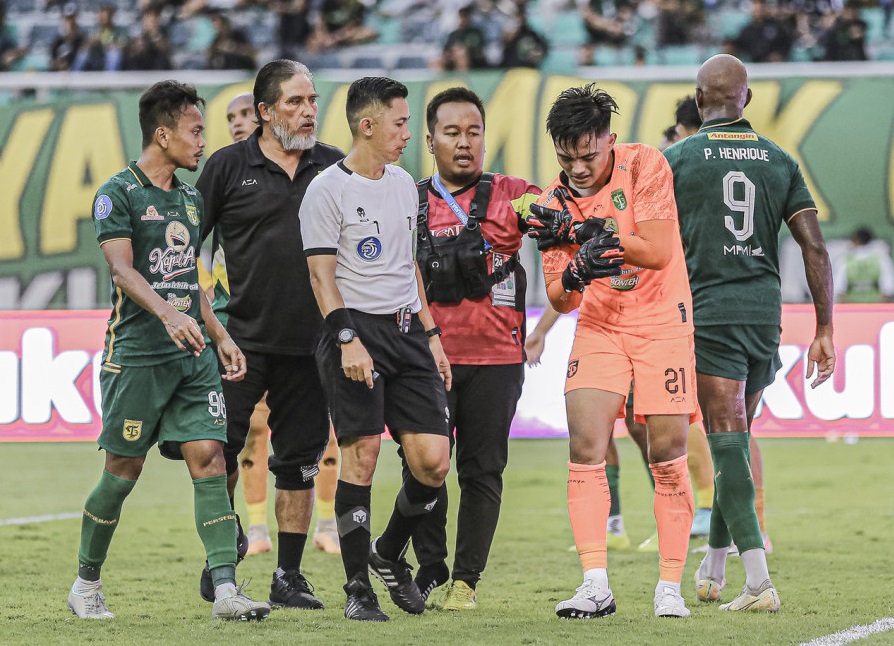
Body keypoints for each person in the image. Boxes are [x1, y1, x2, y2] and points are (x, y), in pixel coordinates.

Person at [68, 80, 269, 622]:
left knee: (210, 458)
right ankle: (86, 583)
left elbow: (189, 281)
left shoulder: (189, 196)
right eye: (195, 130)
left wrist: (220, 335)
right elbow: (122, 269)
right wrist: (167, 314)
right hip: (136, 355)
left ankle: (226, 591)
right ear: (163, 133)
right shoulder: (118, 192)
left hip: (193, 355)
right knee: (122, 471)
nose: (203, 141)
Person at [663, 54, 836, 612]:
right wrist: (826, 328)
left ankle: (758, 581)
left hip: (710, 312)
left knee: (725, 438)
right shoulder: (779, 160)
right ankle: (714, 568)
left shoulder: (677, 159)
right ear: (748, 99)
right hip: (765, 315)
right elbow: (814, 247)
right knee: (732, 443)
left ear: (697, 98)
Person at [527, 83, 698, 620]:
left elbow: (657, 249)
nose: (577, 168)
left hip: (661, 322)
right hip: (601, 325)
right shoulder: (551, 201)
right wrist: (576, 267)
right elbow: (560, 295)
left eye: (587, 154)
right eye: (566, 156)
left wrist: (580, 231)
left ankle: (670, 586)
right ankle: (595, 583)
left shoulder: (645, 164)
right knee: (586, 444)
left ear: (610, 141)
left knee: (667, 453)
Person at [300, 76, 452, 622]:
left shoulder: (404, 184)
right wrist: (347, 338)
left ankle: (388, 552)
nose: (409, 133)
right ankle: (358, 589)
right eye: (400, 122)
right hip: (353, 330)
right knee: (361, 456)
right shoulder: (326, 190)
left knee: (433, 462)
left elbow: (408, 266)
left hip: (407, 330)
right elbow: (321, 277)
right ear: (367, 125)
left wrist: (432, 336)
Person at [196, 60, 344, 611]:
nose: (309, 111)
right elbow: (186, 248)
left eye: (312, 100)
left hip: (313, 345)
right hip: (239, 342)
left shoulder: (333, 166)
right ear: (264, 111)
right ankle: (222, 555)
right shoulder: (227, 167)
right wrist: (206, 319)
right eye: (295, 102)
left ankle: (288, 575)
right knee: (216, 451)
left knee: (299, 463)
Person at [405, 87, 541, 611]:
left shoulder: (514, 193)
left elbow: (554, 215)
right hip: (424, 360)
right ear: (430, 139)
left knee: (482, 471)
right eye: (452, 133)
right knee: (423, 468)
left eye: (474, 132)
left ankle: (466, 582)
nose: (464, 143)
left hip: (498, 362)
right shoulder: (406, 199)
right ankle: (431, 571)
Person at [834, 226, 894, 303]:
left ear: (856, 240)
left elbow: (839, 291)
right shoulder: (882, 259)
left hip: (851, 311)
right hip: (877, 311)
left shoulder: (843, 261)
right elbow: (888, 290)